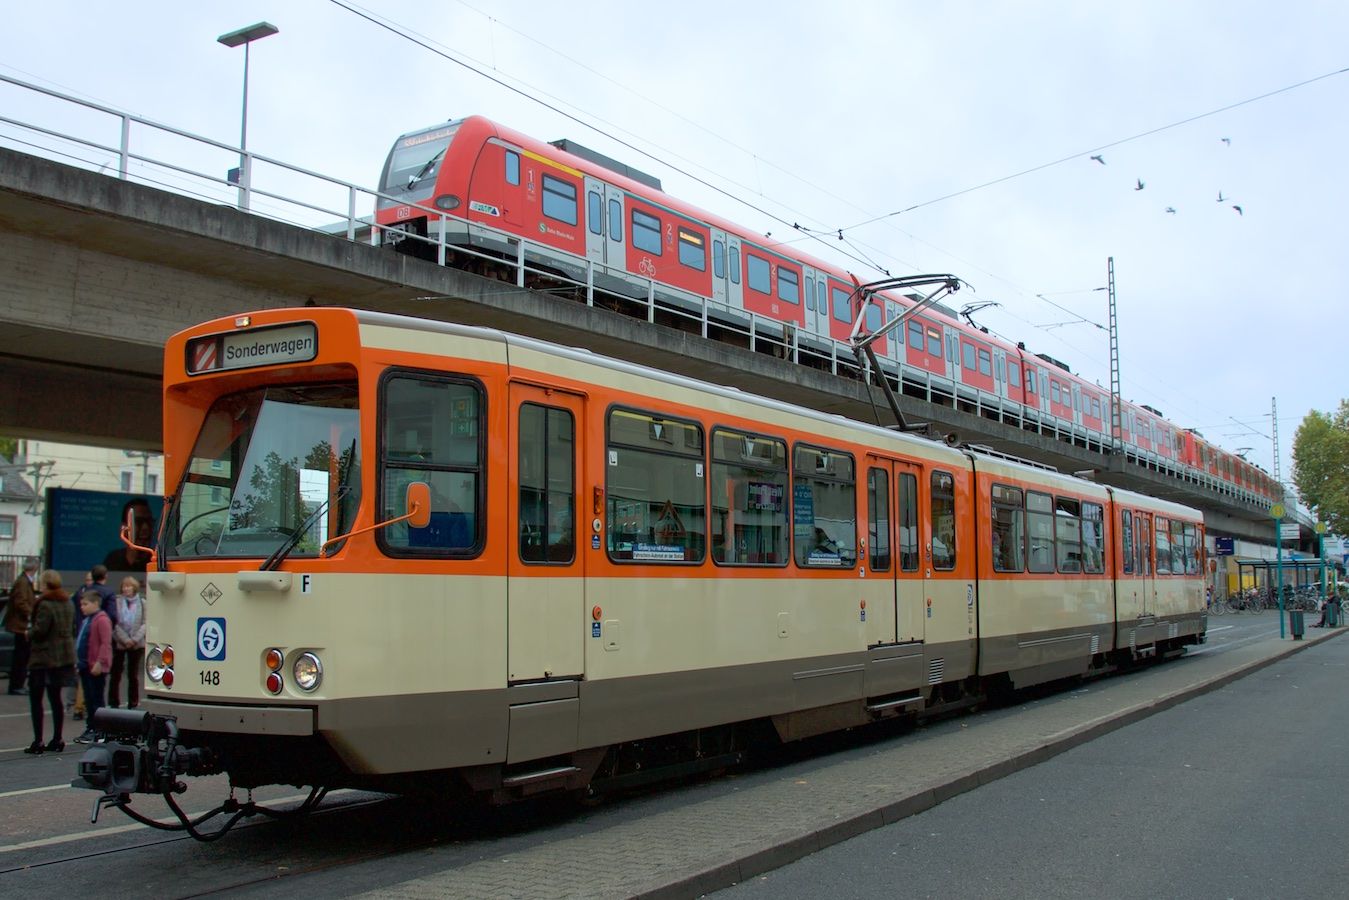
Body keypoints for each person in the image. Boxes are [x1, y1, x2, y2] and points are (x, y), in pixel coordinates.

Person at [24, 569, 75, 754]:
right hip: (63, 657)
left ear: (45, 583)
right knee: (56, 699)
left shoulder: (45, 604)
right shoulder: (67, 601)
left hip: (43, 657)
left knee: (36, 699)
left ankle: (38, 741)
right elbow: (72, 627)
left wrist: (28, 633)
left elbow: (40, 630)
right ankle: (57, 738)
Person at [74, 589, 113, 744]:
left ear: (96, 603)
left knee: (96, 699)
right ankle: (91, 727)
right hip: (85, 664)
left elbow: (105, 643)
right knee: (89, 700)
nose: (82, 607)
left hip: (95, 666)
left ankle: (99, 729)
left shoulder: (101, 619)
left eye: (85, 604)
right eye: (81, 604)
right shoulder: (88, 620)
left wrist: (100, 662)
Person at [109, 576, 146, 709]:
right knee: (116, 673)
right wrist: (125, 639)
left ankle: (133, 702)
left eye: (129, 586)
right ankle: (113, 702)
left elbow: (145, 623)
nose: (126, 589)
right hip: (120, 642)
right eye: (124, 586)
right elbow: (114, 623)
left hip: (137, 643)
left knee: (133, 674)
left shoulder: (142, 602)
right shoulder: (117, 602)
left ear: (134, 588)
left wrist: (134, 639)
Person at [5, 556, 38, 695]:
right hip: (21, 625)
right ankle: (16, 685)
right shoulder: (23, 582)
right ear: (35, 568)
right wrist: (31, 615)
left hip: (21, 625)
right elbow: (21, 602)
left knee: (22, 656)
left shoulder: (24, 581)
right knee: (21, 657)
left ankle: (17, 684)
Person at [102, 498, 155, 573]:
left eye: (149, 521)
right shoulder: (113, 560)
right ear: (124, 527)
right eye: (138, 521)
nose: (145, 528)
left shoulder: (156, 562)